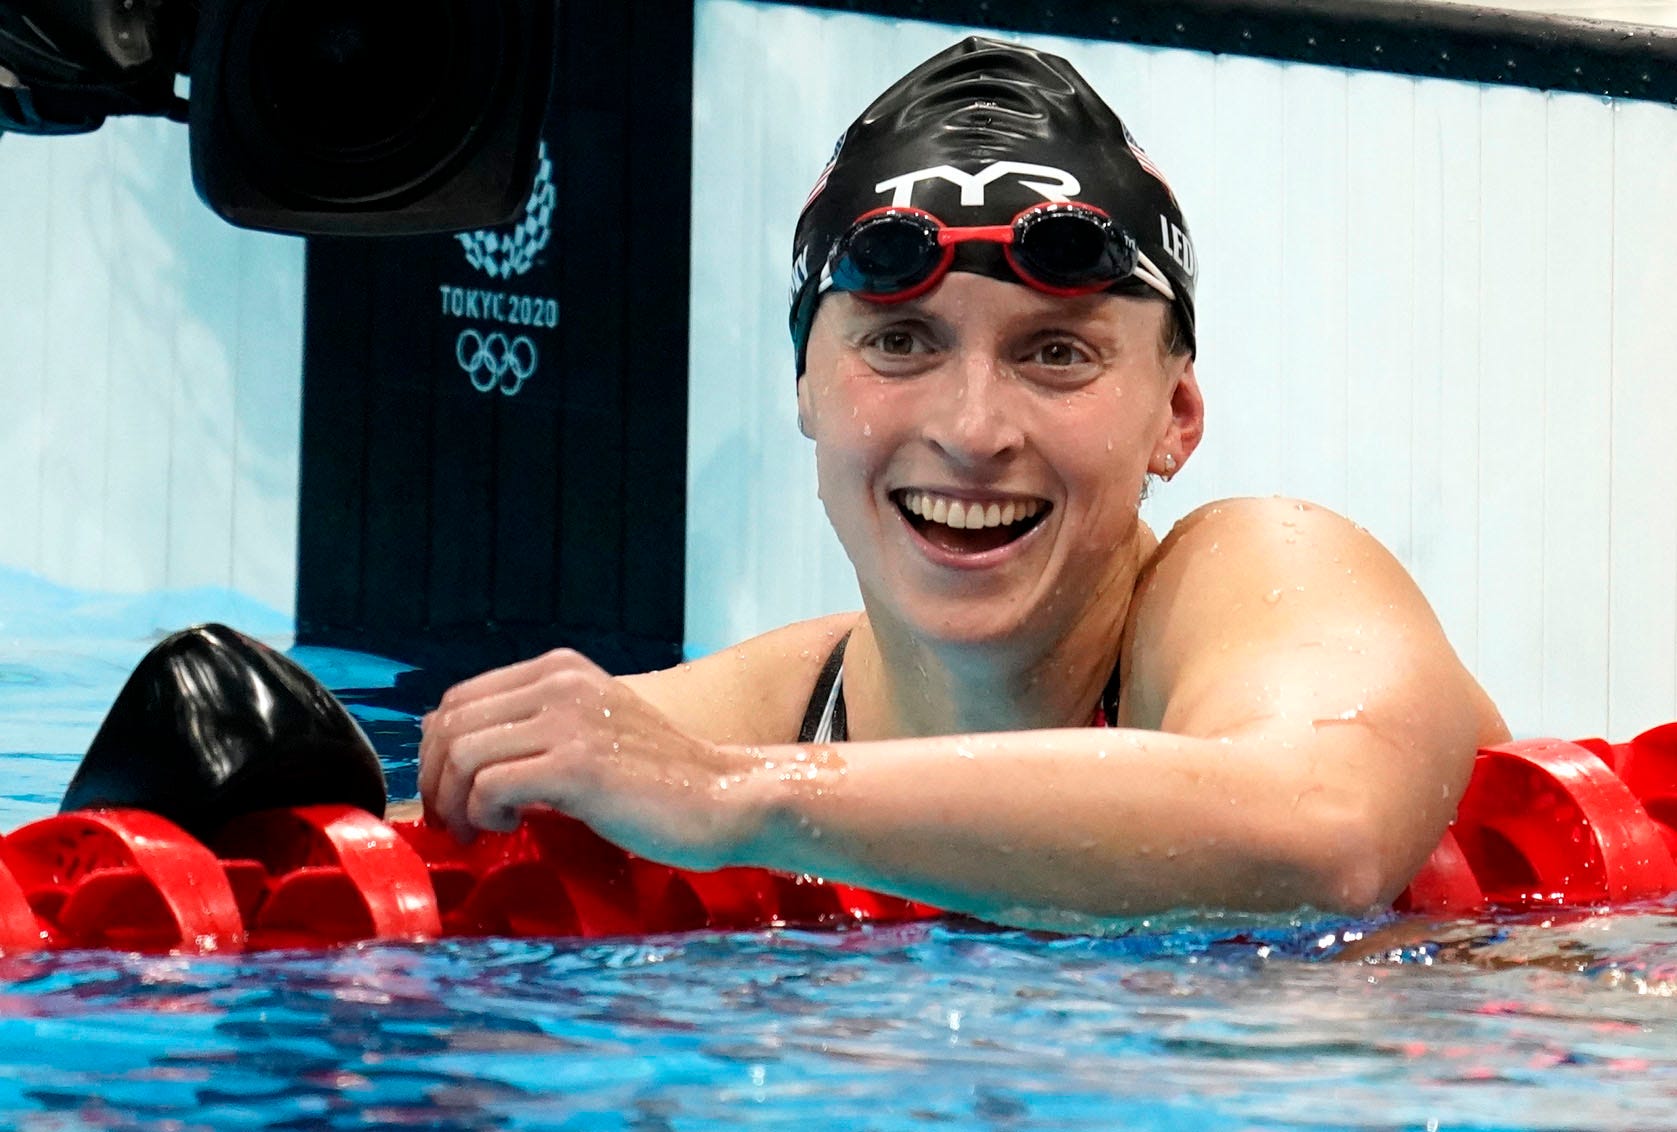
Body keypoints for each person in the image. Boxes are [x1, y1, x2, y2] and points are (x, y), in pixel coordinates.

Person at [416, 37, 1509, 930]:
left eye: (1057, 354)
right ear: (804, 385)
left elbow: (1327, 829)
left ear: (1175, 417)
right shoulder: (747, 719)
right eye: (900, 345)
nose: (974, 430)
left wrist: (740, 799)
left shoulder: (1266, 573)